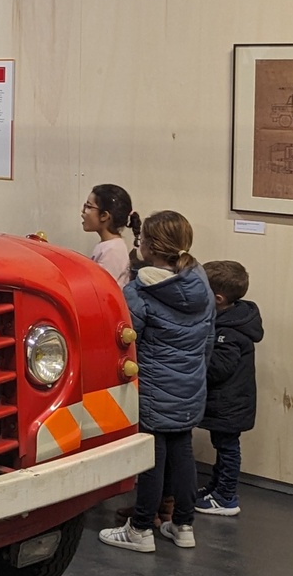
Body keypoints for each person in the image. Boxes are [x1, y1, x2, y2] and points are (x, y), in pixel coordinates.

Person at [99, 210, 214, 553]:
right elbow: (208, 340)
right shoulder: (201, 283)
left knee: (150, 458)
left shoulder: (140, 291)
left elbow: (125, 342)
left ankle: (140, 528)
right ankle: (183, 525)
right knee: (183, 454)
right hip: (191, 384)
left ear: (148, 245)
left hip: (152, 387)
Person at [194, 259, 263, 517]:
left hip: (230, 405)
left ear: (218, 299)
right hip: (228, 403)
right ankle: (216, 487)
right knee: (222, 446)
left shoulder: (229, 331)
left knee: (228, 449)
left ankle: (226, 496)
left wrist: (194, 361)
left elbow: (219, 367)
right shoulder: (229, 319)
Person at [80, 183, 141, 287]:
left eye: (89, 206)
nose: (83, 211)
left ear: (104, 216)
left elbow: (100, 287)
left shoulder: (113, 250)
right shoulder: (107, 245)